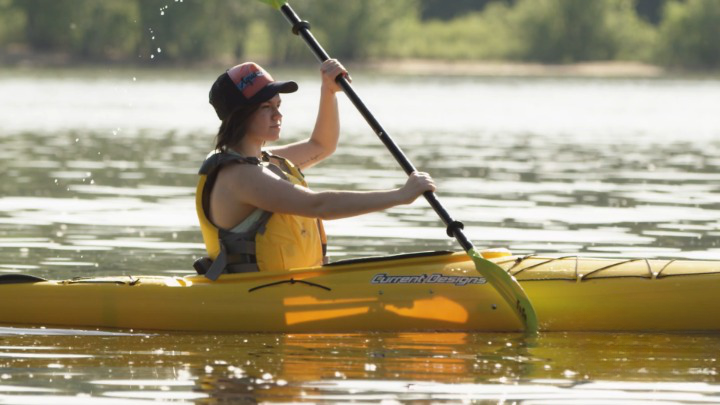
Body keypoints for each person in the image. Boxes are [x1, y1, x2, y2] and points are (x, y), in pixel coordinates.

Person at [195, 60, 436, 280]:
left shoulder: (263, 162)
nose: (278, 114)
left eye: (278, 105)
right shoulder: (241, 177)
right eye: (266, 107)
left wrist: (329, 91)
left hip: (288, 287)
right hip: (258, 294)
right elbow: (318, 205)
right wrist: (400, 196)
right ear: (240, 115)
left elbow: (321, 145)